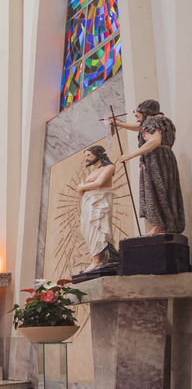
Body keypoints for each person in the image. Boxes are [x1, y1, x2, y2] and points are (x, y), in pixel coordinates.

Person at [113, 100, 185, 235]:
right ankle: (168, 224)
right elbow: (140, 127)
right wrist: (119, 124)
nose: (137, 118)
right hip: (167, 158)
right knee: (168, 190)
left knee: (156, 190)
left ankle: (160, 225)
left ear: (145, 112)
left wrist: (131, 155)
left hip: (155, 159)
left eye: (137, 115)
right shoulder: (164, 121)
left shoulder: (150, 122)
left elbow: (155, 140)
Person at [74, 145, 119, 273]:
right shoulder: (92, 172)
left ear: (99, 154)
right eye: (85, 156)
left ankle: (98, 261)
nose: (86, 159)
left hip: (100, 203)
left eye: (88, 155)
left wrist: (82, 187)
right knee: (88, 229)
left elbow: (98, 184)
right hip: (88, 204)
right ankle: (96, 259)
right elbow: (82, 193)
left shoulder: (109, 167)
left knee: (98, 229)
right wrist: (83, 189)